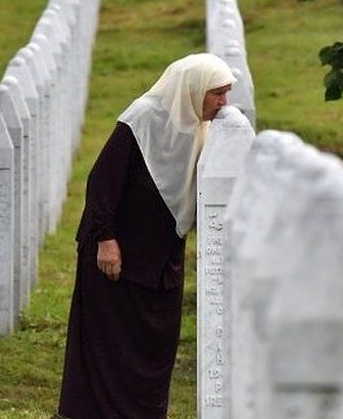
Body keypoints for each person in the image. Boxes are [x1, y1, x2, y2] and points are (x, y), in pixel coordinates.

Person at [56, 52, 236, 418]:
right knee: (109, 346)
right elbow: (102, 182)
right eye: (217, 93)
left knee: (154, 347)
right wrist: (105, 240)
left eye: (226, 93)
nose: (223, 103)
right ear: (194, 89)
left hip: (160, 262)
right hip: (115, 260)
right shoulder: (142, 118)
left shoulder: (199, 128)